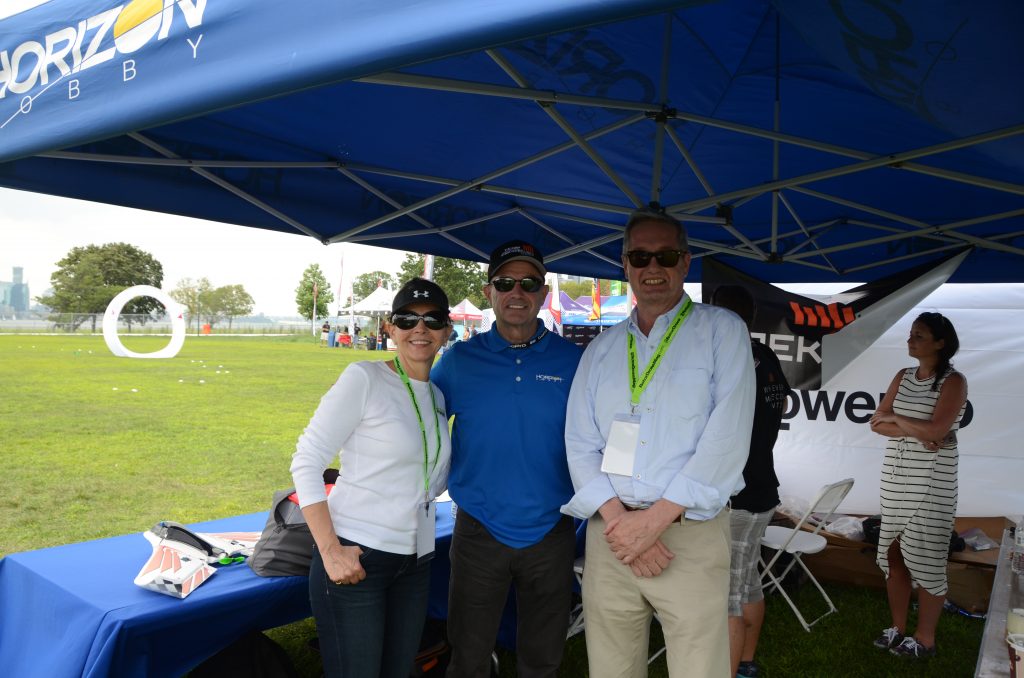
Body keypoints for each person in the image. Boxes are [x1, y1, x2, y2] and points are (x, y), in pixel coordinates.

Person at [562, 209, 755, 678]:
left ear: (686, 263)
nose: (653, 267)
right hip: (613, 537)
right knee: (611, 668)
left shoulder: (721, 331)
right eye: (640, 256)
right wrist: (622, 523)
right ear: (624, 265)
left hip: (688, 535)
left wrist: (653, 521)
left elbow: (726, 440)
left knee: (699, 669)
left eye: (665, 256)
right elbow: (579, 443)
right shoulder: (602, 349)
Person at [431, 240, 583, 677]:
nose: (517, 291)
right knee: (469, 653)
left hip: (552, 528)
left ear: (544, 293)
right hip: (478, 529)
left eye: (529, 283)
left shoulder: (574, 361)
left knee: (543, 654)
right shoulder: (459, 360)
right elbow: (418, 420)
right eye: (506, 282)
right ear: (489, 291)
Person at [290, 277, 453, 678]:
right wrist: (330, 551)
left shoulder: (435, 395)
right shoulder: (364, 378)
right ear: (390, 328)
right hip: (357, 557)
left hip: (413, 561)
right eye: (407, 319)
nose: (420, 329)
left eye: (432, 320)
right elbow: (306, 461)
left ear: (447, 331)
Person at [869, 312, 967, 659]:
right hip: (895, 479)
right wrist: (913, 427)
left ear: (940, 343)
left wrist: (898, 418)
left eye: (919, 335)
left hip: (931, 481)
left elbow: (937, 431)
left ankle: (925, 639)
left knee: (927, 558)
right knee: (893, 554)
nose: (911, 340)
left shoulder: (953, 382)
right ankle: (897, 627)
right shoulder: (903, 375)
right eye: (911, 334)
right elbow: (876, 424)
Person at [711, 285, 790, 678]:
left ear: (719, 314)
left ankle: (730, 669)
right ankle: (746, 662)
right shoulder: (765, 355)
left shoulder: (734, 360)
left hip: (738, 497)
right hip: (762, 489)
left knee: (728, 594)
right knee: (749, 582)